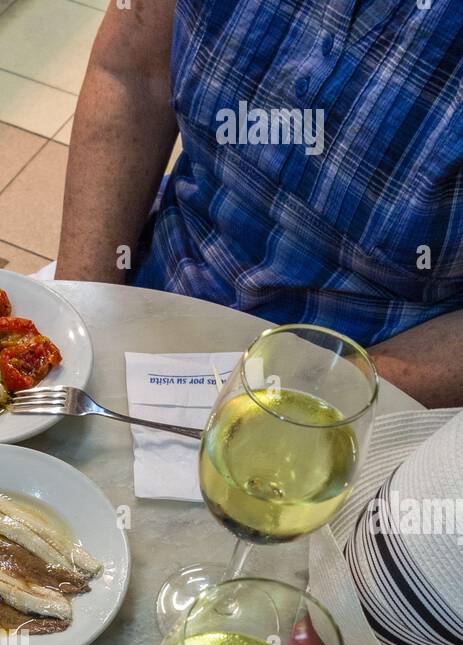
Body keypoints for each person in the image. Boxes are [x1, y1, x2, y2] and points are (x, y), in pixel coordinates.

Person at [56, 0, 463, 407]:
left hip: (367, 386)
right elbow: (133, 73)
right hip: (154, 283)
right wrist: (80, 311)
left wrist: (317, 398)